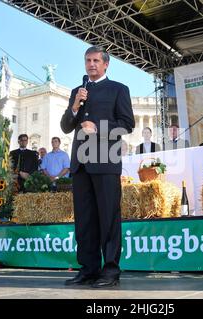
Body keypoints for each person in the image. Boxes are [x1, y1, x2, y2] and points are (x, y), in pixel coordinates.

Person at [61, 46, 135, 288]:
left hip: (105, 162)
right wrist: (74, 106)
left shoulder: (118, 90)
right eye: (87, 60)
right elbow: (65, 127)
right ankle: (89, 269)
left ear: (105, 64)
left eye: (95, 60)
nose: (91, 64)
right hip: (80, 165)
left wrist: (99, 128)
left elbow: (126, 125)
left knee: (108, 219)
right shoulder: (77, 92)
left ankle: (110, 271)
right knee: (84, 221)